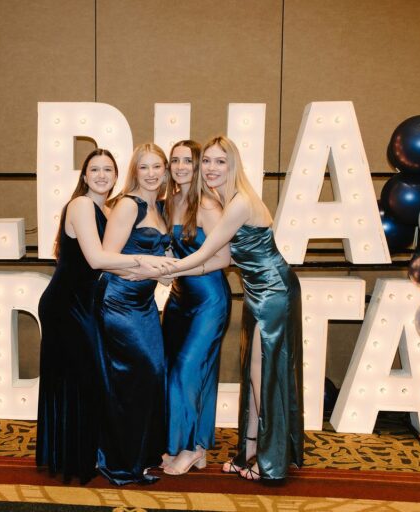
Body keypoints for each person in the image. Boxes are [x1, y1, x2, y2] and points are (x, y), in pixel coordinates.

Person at [160, 136, 303, 481]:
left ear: (233, 165)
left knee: (262, 376)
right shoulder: (223, 199)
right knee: (253, 374)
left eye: (219, 162)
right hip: (257, 290)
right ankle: (250, 451)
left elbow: (207, 253)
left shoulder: (238, 203)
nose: (210, 168)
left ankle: (269, 459)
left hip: (274, 290)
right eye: (206, 161)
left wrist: (167, 268)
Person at [36, 148, 171, 484]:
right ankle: (74, 459)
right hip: (66, 304)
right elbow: (98, 260)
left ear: (115, 175)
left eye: (107, 170)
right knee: (77, 380)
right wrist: (144, 262)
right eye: (94, 169)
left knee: (87, 382)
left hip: (87, 302)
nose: (101, 175)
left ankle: (84, 454)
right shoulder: (81, 204)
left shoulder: (108, 208)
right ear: (84, 176)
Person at [95, 143, 172, 485]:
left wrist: (162, 271)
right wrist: (146, 267)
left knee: (152, 376)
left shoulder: (162, 208)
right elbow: (106, 258)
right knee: (135, 377)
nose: (152, 173)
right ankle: (120, 463)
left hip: (144, 304)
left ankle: (139, 456)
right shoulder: (128, 205)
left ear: (166, 171)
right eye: (145, 167)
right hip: (119, 302)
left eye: (158, 167)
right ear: (135, 172)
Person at [158, 140, 232, 475]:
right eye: (174, 160)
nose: (180, 166)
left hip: (208, 301)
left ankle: (188, 446)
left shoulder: (207, 206)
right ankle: (196, 446)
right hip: (178, 300)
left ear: (199, 164)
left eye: (188, 160)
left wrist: (179, 269)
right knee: (177, 369)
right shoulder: (168, 201)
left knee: (187, 372)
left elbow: (224, 258)